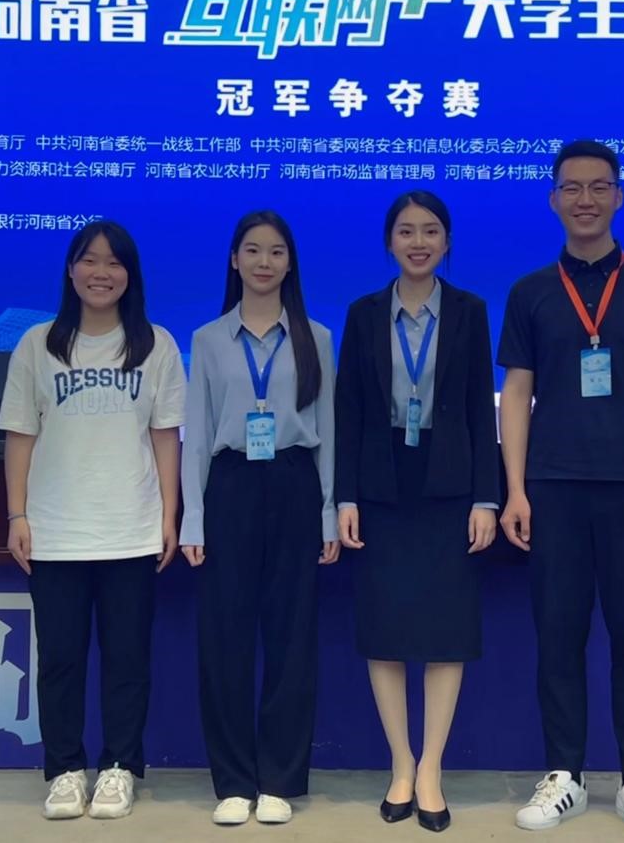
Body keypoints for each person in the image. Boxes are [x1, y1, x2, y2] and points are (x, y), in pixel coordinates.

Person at [497, 140, 624, 840]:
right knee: (559, 635)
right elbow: (515, 395)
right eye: (572, 187)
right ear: (553, 199)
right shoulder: (529, 292)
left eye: (598, 186)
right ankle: (565, 776)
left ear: (619, 196)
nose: (585, 199)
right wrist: (515, 490)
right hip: (552, 488)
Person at [0, 220, 186, 820]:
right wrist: (17, 513)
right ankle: (64, 770)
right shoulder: (37, 345)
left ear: (130, 274)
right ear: (71, 270)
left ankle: (120, 767)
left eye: (114, 262)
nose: (101, 273)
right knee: (59, 659)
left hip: (131, 528)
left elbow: (165, 437)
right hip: (56, 531)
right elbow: (20, 436)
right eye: (89, 260)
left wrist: (171, 514)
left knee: (127, 660)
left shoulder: (156, 345)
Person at [335, 190, 499, 832]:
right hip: (381, 485)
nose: (419, 242)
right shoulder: (363, 314)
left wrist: (485, 496)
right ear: (389, 242)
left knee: (444, 632)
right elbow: (349, 409)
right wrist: (345, 495)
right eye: (406, 231)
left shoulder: (469, 311)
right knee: (384, 630)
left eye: (431, 231)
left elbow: (478, 408)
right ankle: (400, 762)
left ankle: (431, 767)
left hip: (449, 485)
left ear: (447, 241)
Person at [180, 209, 340, 826]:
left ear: (290, 262)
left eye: (276, 251)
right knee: (225, 638)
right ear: (234, 260)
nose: (264, 261)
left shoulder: (316, 337)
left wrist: (327, 513)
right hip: (232, 485)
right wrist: (194, 518)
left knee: (291, 637)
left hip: (295, 482)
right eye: (252, 250)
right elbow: (197, 437)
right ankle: (233, 780)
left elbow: (326, 431)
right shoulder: (208, 339)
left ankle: (279, 778)